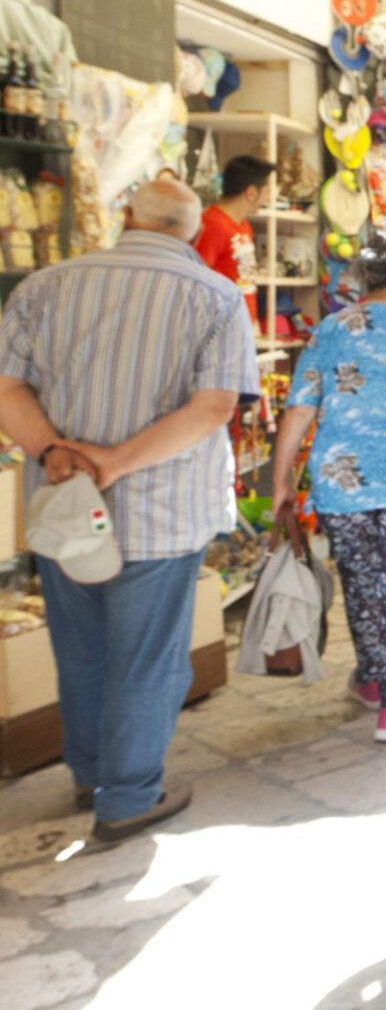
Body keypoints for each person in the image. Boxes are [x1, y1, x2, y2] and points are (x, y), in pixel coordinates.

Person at [0, 175, 259, 842]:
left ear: (126, 215)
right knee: (148, 657)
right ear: (194, 230)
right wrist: (114, 462)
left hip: (65, 504)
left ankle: (91, 775)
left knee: (80, 649)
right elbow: (213, 407)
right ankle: (128, 797)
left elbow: (6, 388)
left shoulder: (45, 286)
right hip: (162, 511)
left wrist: (53, 451)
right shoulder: (216, 296)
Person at [272, 230, 386, 744]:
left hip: (342, 481)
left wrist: (281, 481)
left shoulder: (330, 329)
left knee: (362, 584)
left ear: (362, 277)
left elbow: (300, 409)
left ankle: (373, 681)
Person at [193, 154, 273, 295]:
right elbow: (198, 280)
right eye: (267, 191)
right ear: (251, 193)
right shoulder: (211, 224)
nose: (269, 198)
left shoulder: (244, 225)